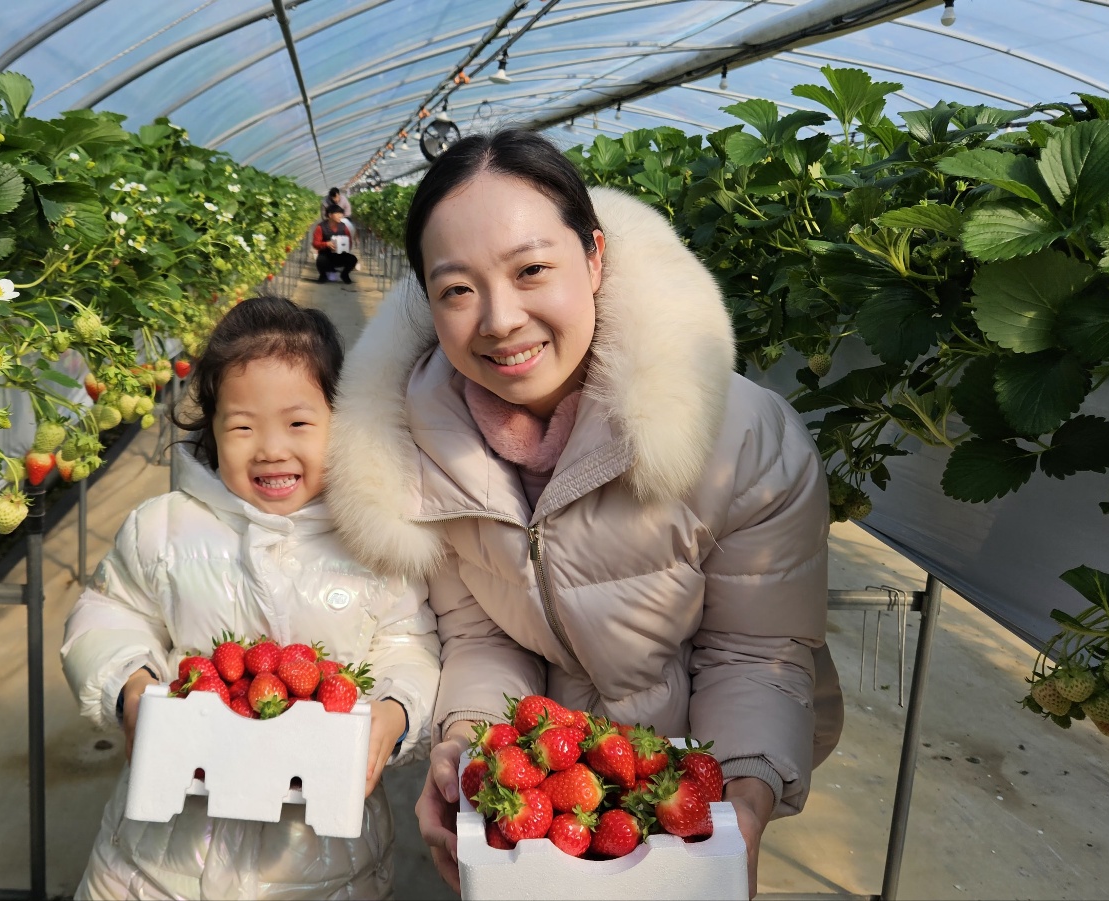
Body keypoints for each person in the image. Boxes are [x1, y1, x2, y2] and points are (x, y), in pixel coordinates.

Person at [324, 129, 843, 897]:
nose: (499, 319)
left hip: (677, 791)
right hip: (535, 806)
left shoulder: (740, 438)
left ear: (594, 258)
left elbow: (754, 653)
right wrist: (469, 743)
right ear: (428, 305)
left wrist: (738, 798)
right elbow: (479, 633)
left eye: (533, 269)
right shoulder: (413, 455)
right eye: (457, 289)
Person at [61, 296, 440, 900]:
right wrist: (129, 685)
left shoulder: (375, 540)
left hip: (320, 866)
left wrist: (394, 714)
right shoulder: (164, 528)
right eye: (242, 426)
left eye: (298, 423)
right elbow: (110, 612)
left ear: (341, 422)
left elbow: (408, 643)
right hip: (157, 863)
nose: (270, 449)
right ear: (210, 431)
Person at [311, 206, 357, 284]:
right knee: (321, 260)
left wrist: (343, 247)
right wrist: (326, 244)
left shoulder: (343, 226)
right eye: (337, 213)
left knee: (352, 259)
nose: (340, 216)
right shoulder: (321, 227)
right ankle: (323, 275)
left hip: (340, 254)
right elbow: (315, 243)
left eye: (341, 214)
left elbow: (349, 241)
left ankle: (344, 274)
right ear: (330, 215)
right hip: (326, 254)